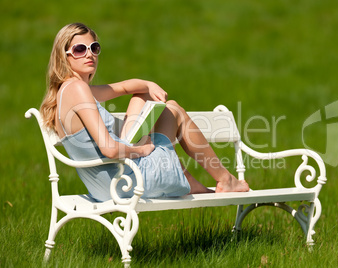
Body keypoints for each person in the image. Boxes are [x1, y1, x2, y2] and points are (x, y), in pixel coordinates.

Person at [40, 23, 249, 202]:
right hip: (126, 183)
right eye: (79, 49)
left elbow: (125, 87)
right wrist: (142, 150)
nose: (89, 54)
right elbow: (110, 150)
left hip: (107, 186)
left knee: (142, 96)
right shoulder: (77, 90)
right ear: (64, 55)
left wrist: (148, 84)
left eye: (94, 48)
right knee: (173, 109)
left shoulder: (68, 92)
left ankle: (193, 184)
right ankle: (225, 179)